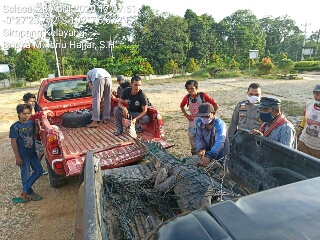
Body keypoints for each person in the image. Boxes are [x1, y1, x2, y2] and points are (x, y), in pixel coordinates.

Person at [9, 104, 44, 203]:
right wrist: (17, 156)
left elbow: (36, 134)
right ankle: (27, 193)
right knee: (25, 173)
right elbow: (13, 142)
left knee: (39, 171)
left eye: (28, 113)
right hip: (23, 155)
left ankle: (24, 192)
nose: (26, 116)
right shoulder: (15, 127)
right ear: (19, 114)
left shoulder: (31, 123)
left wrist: (37, 124)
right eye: (24, 114)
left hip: (32, 152)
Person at [180, 80, 219, 155]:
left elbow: (216, 105)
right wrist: (186, 115)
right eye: (188, 89)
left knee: (204, 139)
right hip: (193, 122)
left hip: (203, 121)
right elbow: (181, 106)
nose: (190, 90)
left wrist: (212, 115)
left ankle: (207, 155)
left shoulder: (203, 96)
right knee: (192, 137)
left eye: (192, 88)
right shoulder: (187, 98)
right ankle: (195, 156)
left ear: (196, 88)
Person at [297, 84, 320, 158]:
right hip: (304, 142)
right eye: (316, 94)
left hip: (317, 148)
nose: (318, 97)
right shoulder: (309, 105)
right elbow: (303, 123)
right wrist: (297, 138)